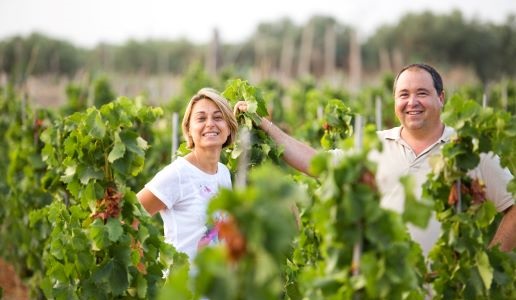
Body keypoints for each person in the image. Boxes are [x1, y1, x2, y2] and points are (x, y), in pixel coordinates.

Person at [234, 63, 515, 256]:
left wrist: (485, 262)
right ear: (394, 101)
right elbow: (315, 163)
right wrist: (266, 127)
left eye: (422, 93)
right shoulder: (376, 146)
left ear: (441, 98)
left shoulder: (468, 148)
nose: (412, 102)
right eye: (403, 94)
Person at [137, 87, 238, 261]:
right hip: (183, 286)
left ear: (229, 128)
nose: (210, 124)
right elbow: (132, 214)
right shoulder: (177, 174)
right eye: (201, 118)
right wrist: (140, 266)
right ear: (189, 130)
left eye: (218, 117)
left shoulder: (223, 173)